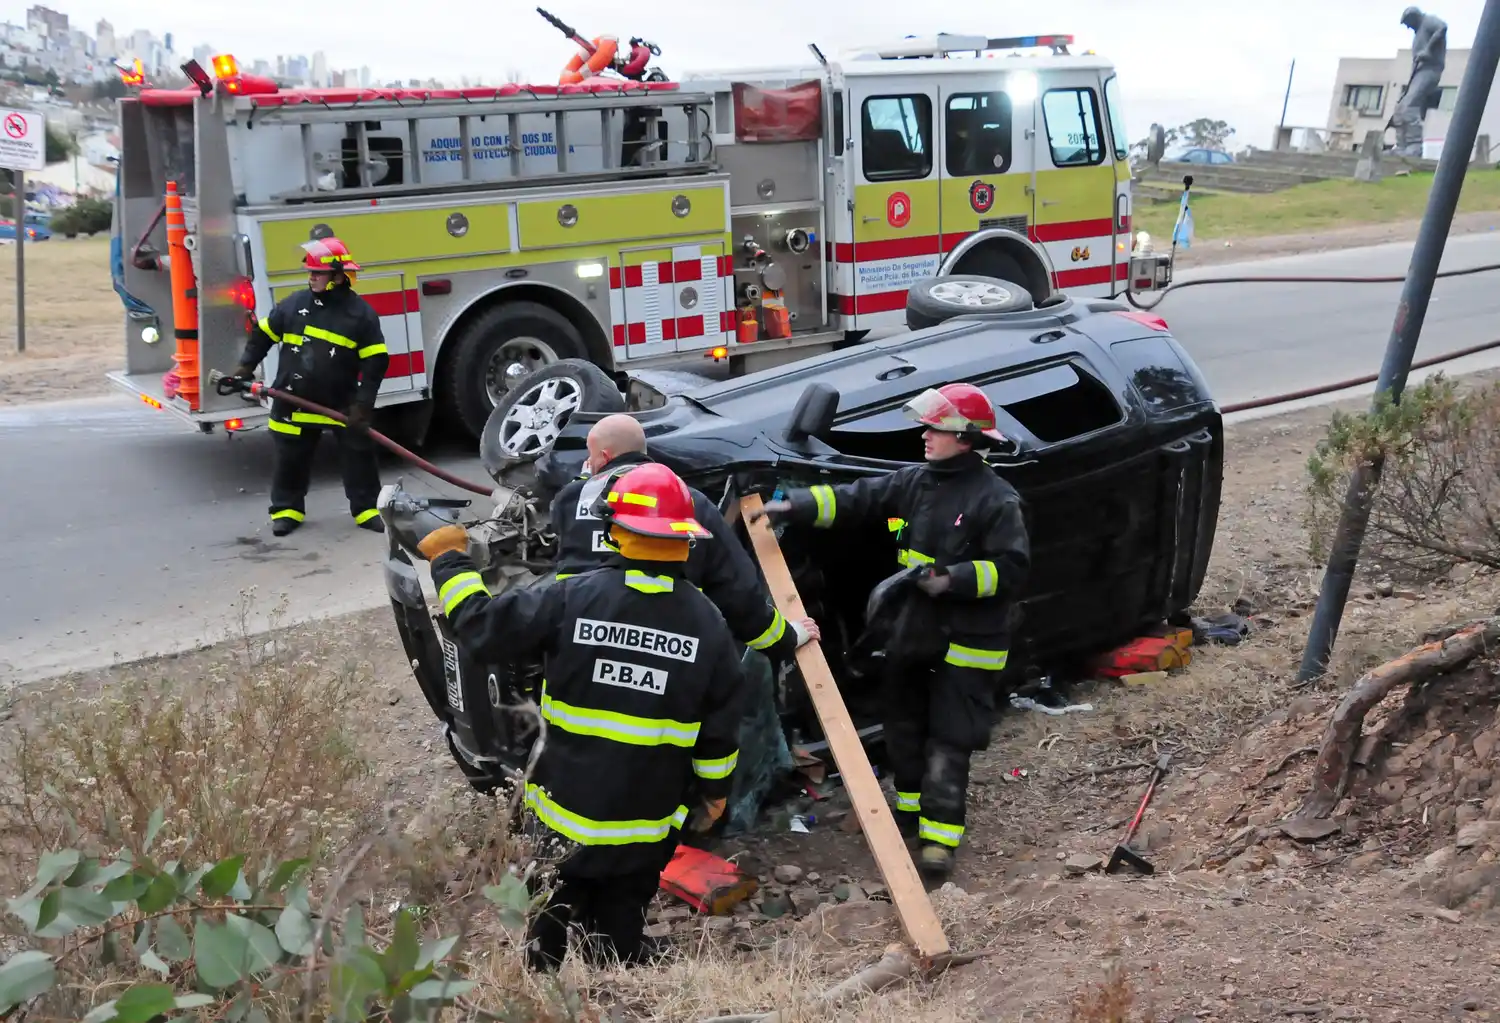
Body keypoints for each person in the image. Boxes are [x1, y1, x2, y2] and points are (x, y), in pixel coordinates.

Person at [414, 461, 748, 971]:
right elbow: (720, 733)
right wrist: (714, 793)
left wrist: (449, 562)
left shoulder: (571, 596)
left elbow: (479, 627)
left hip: (564, 815)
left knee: (550, 906)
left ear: (615, 532)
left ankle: (543, 970)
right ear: (686, 541)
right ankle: (616, 958)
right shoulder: (710, 625)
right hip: (645, 824)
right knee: (623, 912)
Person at [749, 382, 1030, 880]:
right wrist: (793, 506)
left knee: (949, 739)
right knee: (903, 730)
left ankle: (939, 843)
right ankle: (909, 813)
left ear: (965, 438)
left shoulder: (996, 499)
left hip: (967, 645)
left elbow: (1010, 570)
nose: (925, 436)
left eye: (935, 429)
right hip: (914, 634)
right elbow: (855, 498)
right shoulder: (917, 482)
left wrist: (954, 579)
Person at [552, 413, 820, 662]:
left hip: (577, 644)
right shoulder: (691, 504)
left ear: (604, 456)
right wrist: (786, 638)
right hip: (666, 651)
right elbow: (736, 592)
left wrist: (582, 481)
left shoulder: (571, 498)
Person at [223, 237, 390, 537]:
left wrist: (364, 403)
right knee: (290, 459)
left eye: (317, 272)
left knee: (358, 456)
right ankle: (287, 510)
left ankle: (367, 510)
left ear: (338, 276)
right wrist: (245, 366)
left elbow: (375, 362)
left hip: (340, 403)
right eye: (310, 272)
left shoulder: (361, 315)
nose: (311, 277)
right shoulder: (294, 304)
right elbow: (263, 334)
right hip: (293, 400)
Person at [1394, 7, 1448, 157]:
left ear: (1414, 17)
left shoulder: (1428, 20)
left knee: (1411, 105)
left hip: (1430, 70)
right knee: (1401, 107)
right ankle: (1401, 145)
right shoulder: (1418, 34)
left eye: (1407, 23)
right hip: (1418, 73)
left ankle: (1414, 145)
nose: (1407, 27)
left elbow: (1442, 27)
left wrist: (1428, 50)